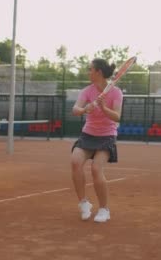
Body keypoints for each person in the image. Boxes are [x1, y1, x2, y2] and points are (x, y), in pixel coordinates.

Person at [71, 58, 123, 223]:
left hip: (107, 135)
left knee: (95, 169)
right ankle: (84, 203)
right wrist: (85, 109)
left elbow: (117, 116)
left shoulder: (116, 92)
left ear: (98, 72)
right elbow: (75, 109)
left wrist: (103, 108)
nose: (88, 72)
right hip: (88, 134)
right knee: (75, 162)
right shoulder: (87, 90)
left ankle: (104, 209)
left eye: (90, 69)